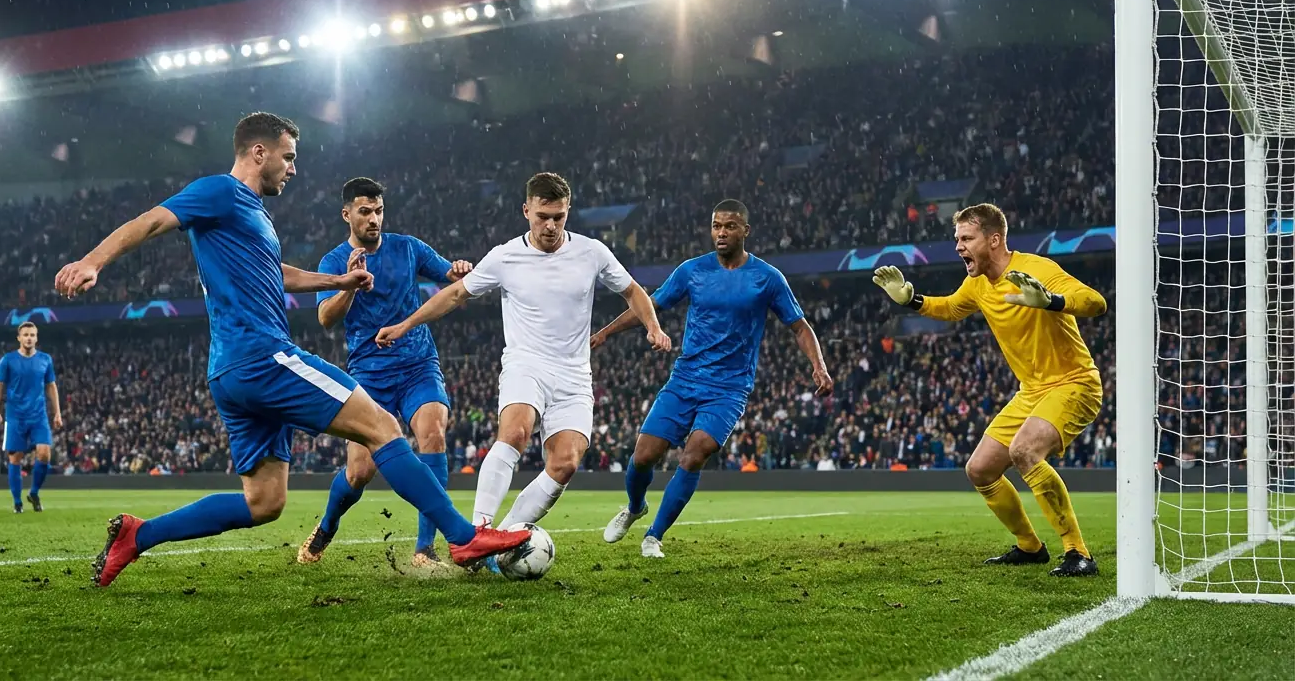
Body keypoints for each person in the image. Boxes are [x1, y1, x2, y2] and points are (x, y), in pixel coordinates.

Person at [53, 112, 529, 587]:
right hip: (262, 356)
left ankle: (138, 536)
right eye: (289, 157)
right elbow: (153, 220)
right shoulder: (221, 190)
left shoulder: (252, 215)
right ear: (259, 152)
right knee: (383, 427)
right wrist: (93, 261)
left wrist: (338, 280)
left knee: (264, 502)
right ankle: (463, 537)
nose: (293, 168)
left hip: (229, 373)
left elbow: (276, 273)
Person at [376, 172, 669, 553]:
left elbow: (632, 290)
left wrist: (653, 326)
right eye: (542, 216)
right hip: (525, 365)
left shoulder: (592, 252)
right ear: (526, 210)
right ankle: (477, 532)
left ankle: (507, 534)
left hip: (574, 375)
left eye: (559, 217)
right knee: (515, 432)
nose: (550, 225)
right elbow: (454, 296)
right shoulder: (504, 256)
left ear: (568, 212)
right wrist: (405, 324)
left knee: (565, 463)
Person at [870, 203, 1106, 577]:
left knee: (1025, 451)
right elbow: (949, 308)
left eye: (967, 238)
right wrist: (910, 300)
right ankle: (1030, 548)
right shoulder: (978, 283)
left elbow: (1096, 302)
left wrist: (1051, 302)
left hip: (1074, 382)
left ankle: (1078, 553)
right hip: (1032, 391)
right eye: (957, 239)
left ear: (994, 240)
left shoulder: (1037, 270)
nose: (959, 247)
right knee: (980, 470)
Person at [594, 200, 833, 558]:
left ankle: (653, 535)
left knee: (695, 454)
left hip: (729, 387)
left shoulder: (767, 278)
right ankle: (635, 506)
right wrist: (606, 333)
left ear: (745, 231)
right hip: (686, 378)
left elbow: (799, 327)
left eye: (730, 226)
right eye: (717, 226)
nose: (721, 233)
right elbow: (650, 305)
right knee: (644, 456)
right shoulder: (692, 271)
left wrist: (819, 365)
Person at [297, 177, 472, 569]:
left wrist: (458, 268)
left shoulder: (408, 248)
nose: (373, 218)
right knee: (360, 471)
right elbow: (326, 318)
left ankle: (425, 550)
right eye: (364, 212)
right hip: (368, 375)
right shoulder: (332, 261)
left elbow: (451, 275)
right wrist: (350, 285)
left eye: (378, 211)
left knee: (434, 433)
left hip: (417, 364)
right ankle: (327, 525)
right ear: (347, 215)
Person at [0, 322, 61, 513]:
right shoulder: (8, 360)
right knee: (15, 458)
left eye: (32, 335)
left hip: (38, 415)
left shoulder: (45, 359)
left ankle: (34, 492)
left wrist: (57, 412)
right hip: (15, 417)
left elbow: (51, 386)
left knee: (45, 453)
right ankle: (17, 502)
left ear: (36, 338)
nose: (29, 338)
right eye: (26, 335)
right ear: (19, 338)